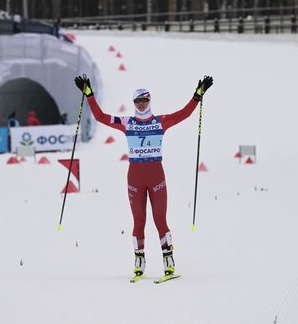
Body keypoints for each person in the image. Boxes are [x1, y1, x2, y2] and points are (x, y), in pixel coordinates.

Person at [74, 74, 213, 279]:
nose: (141, 104)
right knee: (138, 221)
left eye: (144, 100)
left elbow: (184, 114)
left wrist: (197, 95)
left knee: (160, 220)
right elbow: (101, 117)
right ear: (134, 103)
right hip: (135, 179)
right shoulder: (127, 122)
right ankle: (139, 261)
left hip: (156, 177)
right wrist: (89, 95)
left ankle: (169, 260)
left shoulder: (160, 122)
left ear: (149, 101)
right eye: (137, 101)